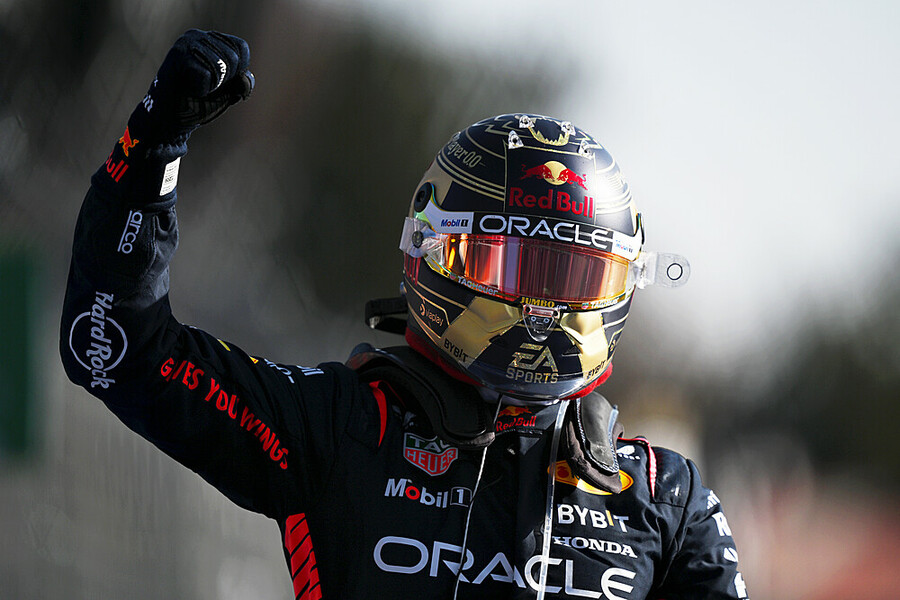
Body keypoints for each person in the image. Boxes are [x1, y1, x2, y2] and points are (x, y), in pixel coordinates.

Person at [60, 29, 749, 600]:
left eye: (574, 275)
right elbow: (113, 346)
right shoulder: (343, 425)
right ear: (436, 253)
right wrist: (152, 149)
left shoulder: (666, 500)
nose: (543, 306)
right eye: (508, 266)